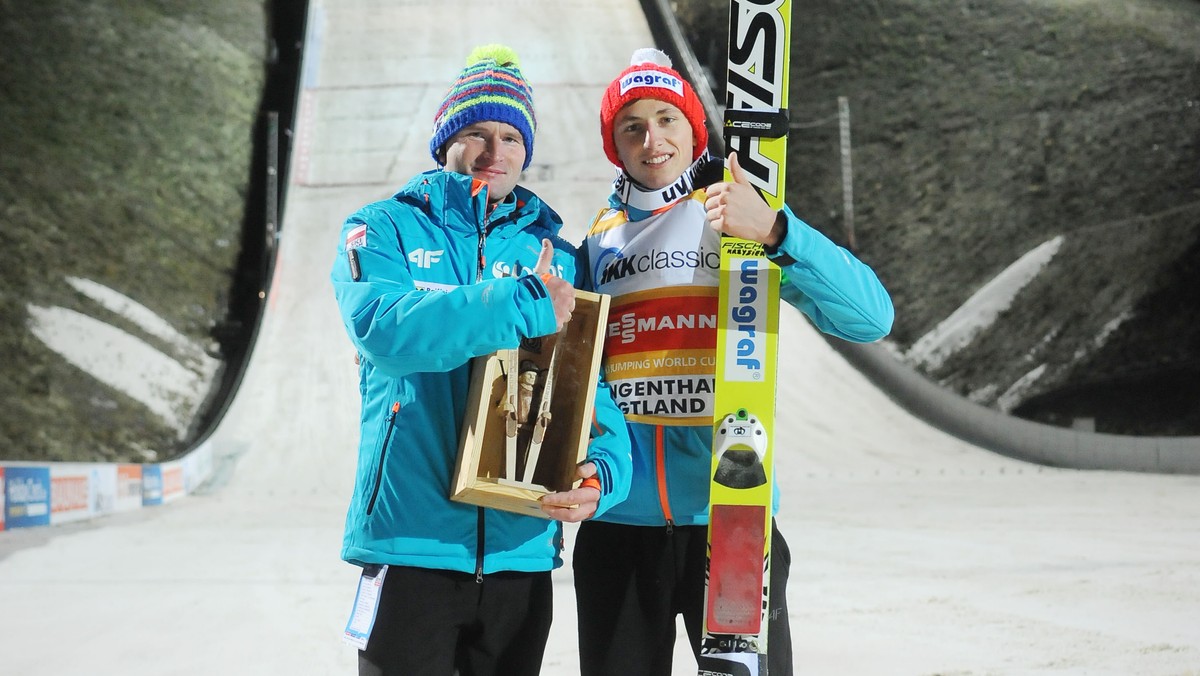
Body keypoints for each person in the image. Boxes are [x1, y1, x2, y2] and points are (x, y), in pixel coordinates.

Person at [572, 49, 895, 676]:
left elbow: (870, 317)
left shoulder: (735, 216)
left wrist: (777, 231)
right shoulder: (595, 242)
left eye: (667, 118)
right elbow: (581, 378)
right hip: (617, 527)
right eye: (631, 125)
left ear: (695, 128)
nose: (651, 138)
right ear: (614, 143)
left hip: (729, 517)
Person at [330, 44, 631, 676]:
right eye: (476, 133)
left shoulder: (558, 254)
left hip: (521, 554)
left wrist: (602, 475)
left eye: (511, 138)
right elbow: (382, 330)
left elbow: (589, 391)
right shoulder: (381, 230)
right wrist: (518, 301)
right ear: (446, 142)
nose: (496, 153)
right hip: (410, 546)